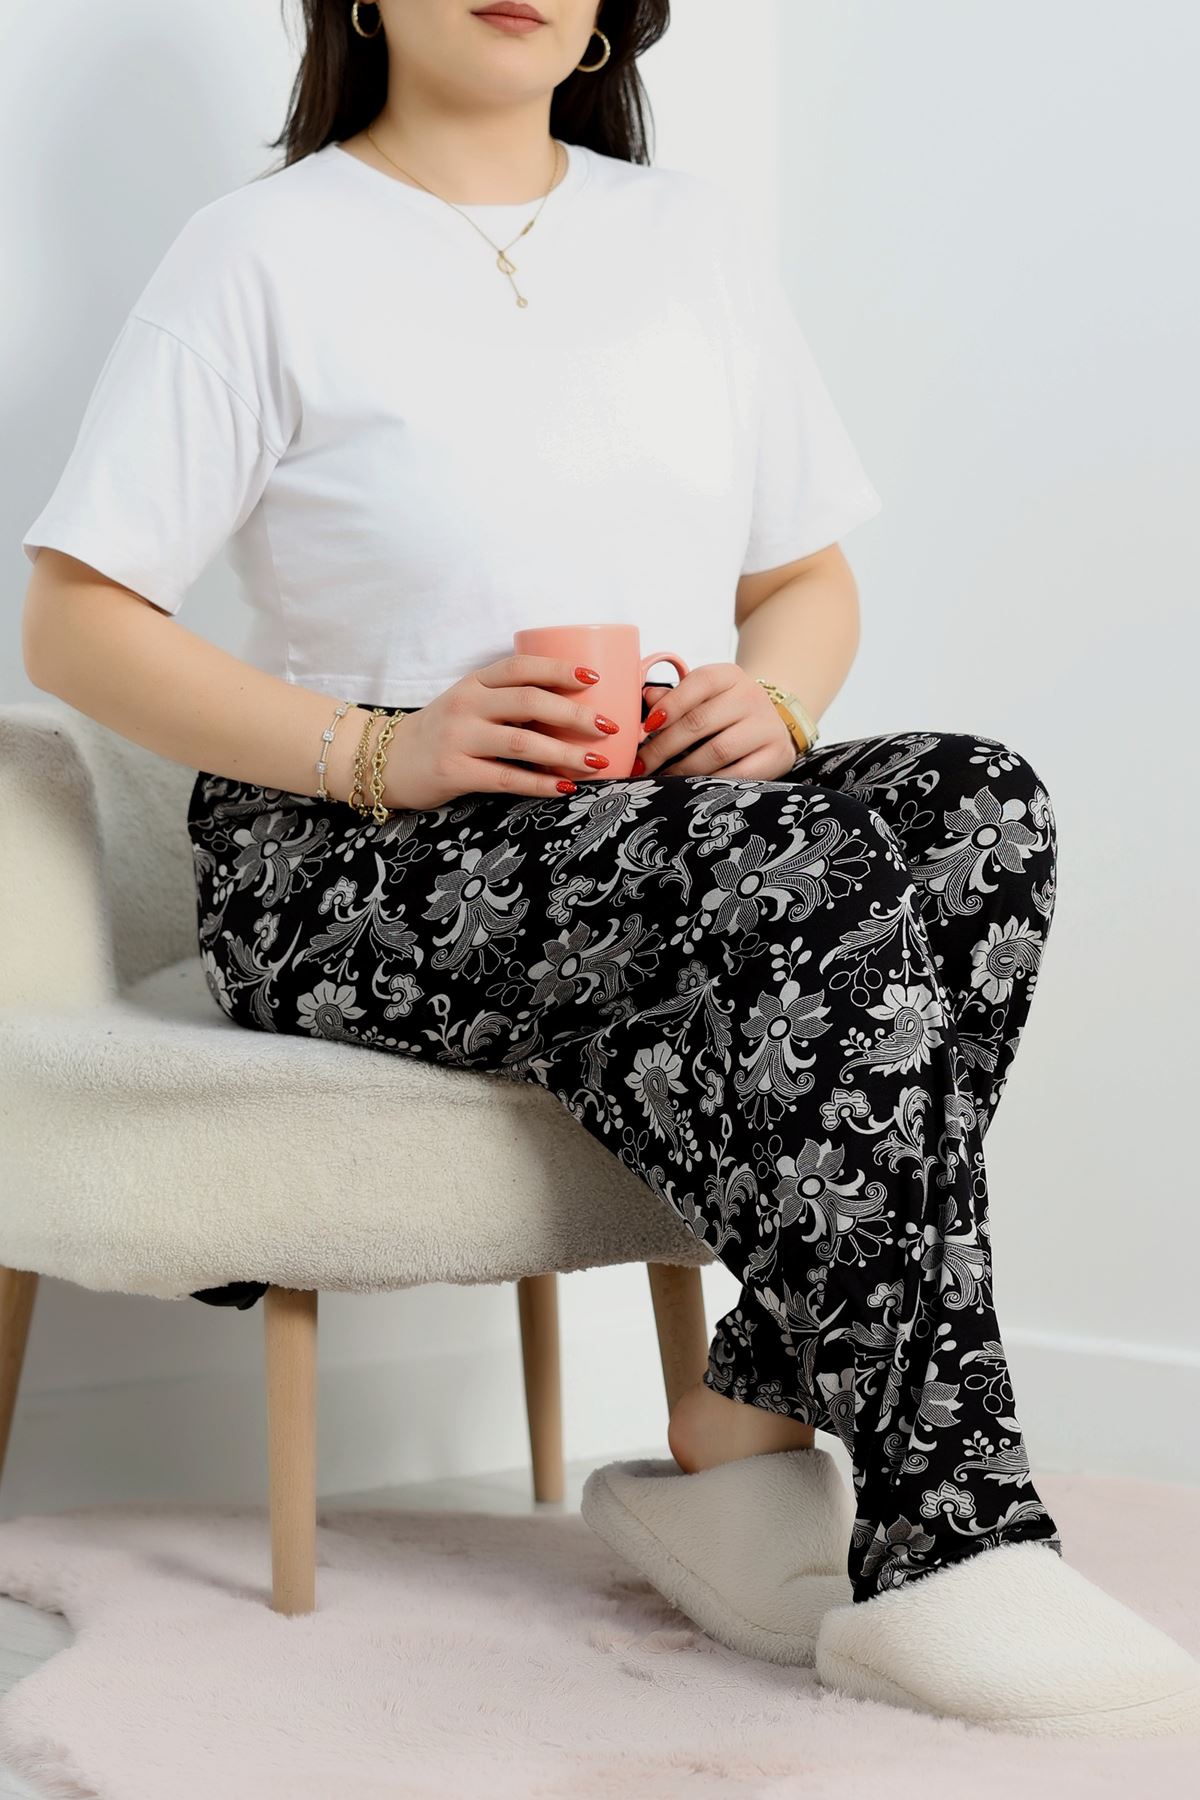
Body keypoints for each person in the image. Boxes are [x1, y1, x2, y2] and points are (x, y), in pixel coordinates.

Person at [19, 0, 1200, 1742]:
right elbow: (74, 622)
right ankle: (948, 1533)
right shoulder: (261, 252)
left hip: (659, 820)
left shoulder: (686, 241)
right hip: (355, 856)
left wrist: (771, 701)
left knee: (976, 804)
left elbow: (804, 577)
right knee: (793, 882)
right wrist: (382, 749)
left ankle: (747, 1409)